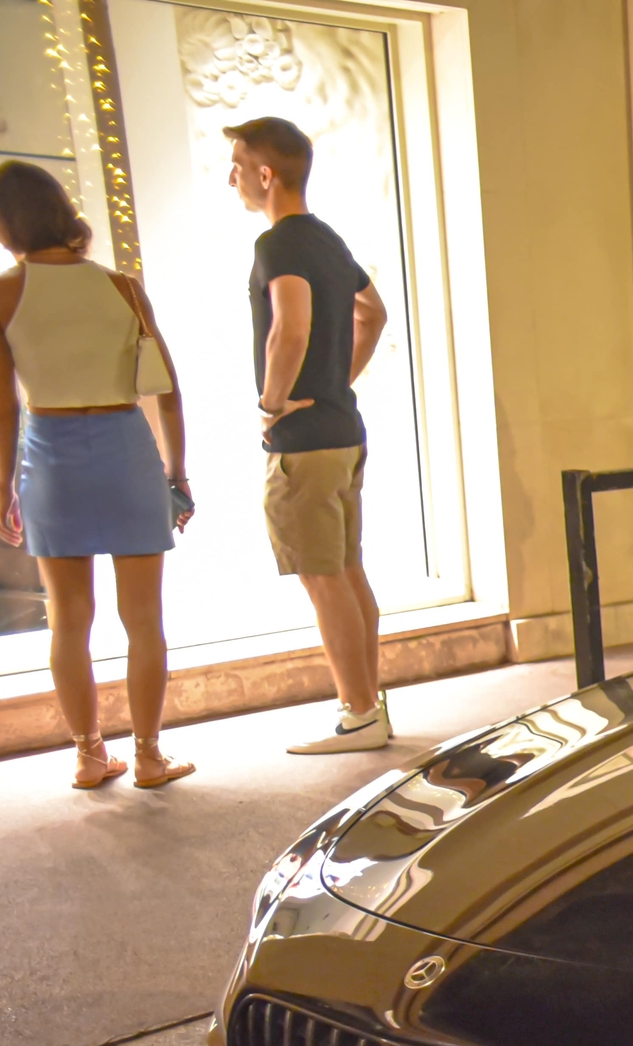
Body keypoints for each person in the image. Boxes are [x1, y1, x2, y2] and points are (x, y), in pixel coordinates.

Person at [0, 162, 195, 789]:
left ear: (5, 223)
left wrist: (2, 487)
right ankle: (152, 756)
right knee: (144, 620)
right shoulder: (122, 287)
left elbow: (2, 404)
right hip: (126, 451)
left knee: (68, 619)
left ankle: (88, 754)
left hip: (50, 453)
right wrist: (177, 471)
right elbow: (167, 390)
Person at [227, 116, 394, 754]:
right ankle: (369, 707)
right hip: (344, 429)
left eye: (239, 166)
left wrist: (273, 404)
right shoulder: (326, 239)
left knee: (325, 580)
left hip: (306, 442)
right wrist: (334, 383)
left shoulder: (279, 245)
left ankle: (358, 715)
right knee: (347, 572)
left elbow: (289, 327)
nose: (233, 178)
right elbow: (372, 314)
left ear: (266, 174)